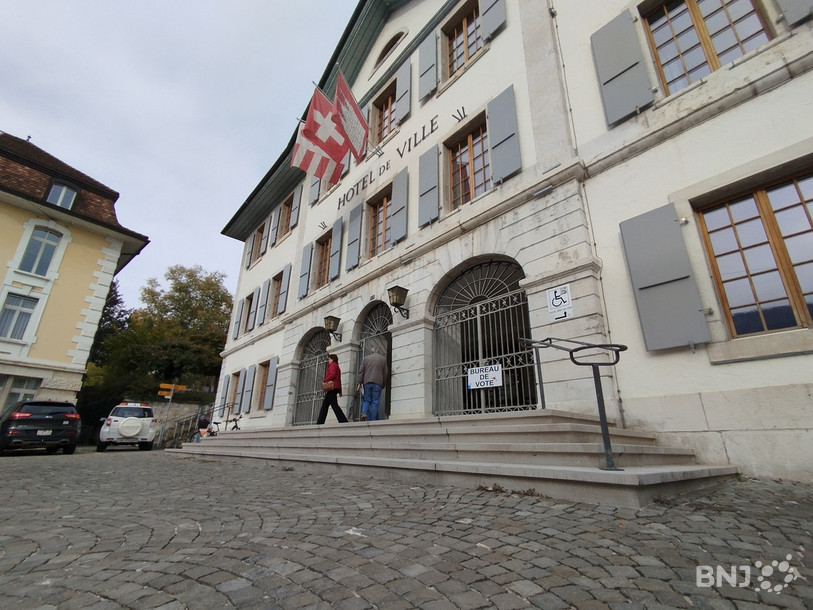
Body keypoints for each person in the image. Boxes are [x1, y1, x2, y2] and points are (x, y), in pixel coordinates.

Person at [357, 346, 388, 421]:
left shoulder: (366, 358)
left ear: (371, 352)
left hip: (367, 382)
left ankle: (364, 412)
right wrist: (383, 383)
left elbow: (361, 371)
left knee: (367, 399)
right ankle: (373, 419)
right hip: (378, 383)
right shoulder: (383, 359)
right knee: (375, 401)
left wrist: (359, 382)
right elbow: (386, 373)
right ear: (378, 352)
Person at [316, 353, 348, 424]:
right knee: (325, 405)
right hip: (335, 387)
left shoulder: (333, 365)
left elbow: (332, 375)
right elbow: (338, 379)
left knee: (333, 405)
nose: (328, 360)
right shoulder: (337, 366)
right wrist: (340, 390)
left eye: (329, 359)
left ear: (332, 359)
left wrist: (325, 380)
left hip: (332, 387)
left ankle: (343, 420)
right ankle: (320, 422)